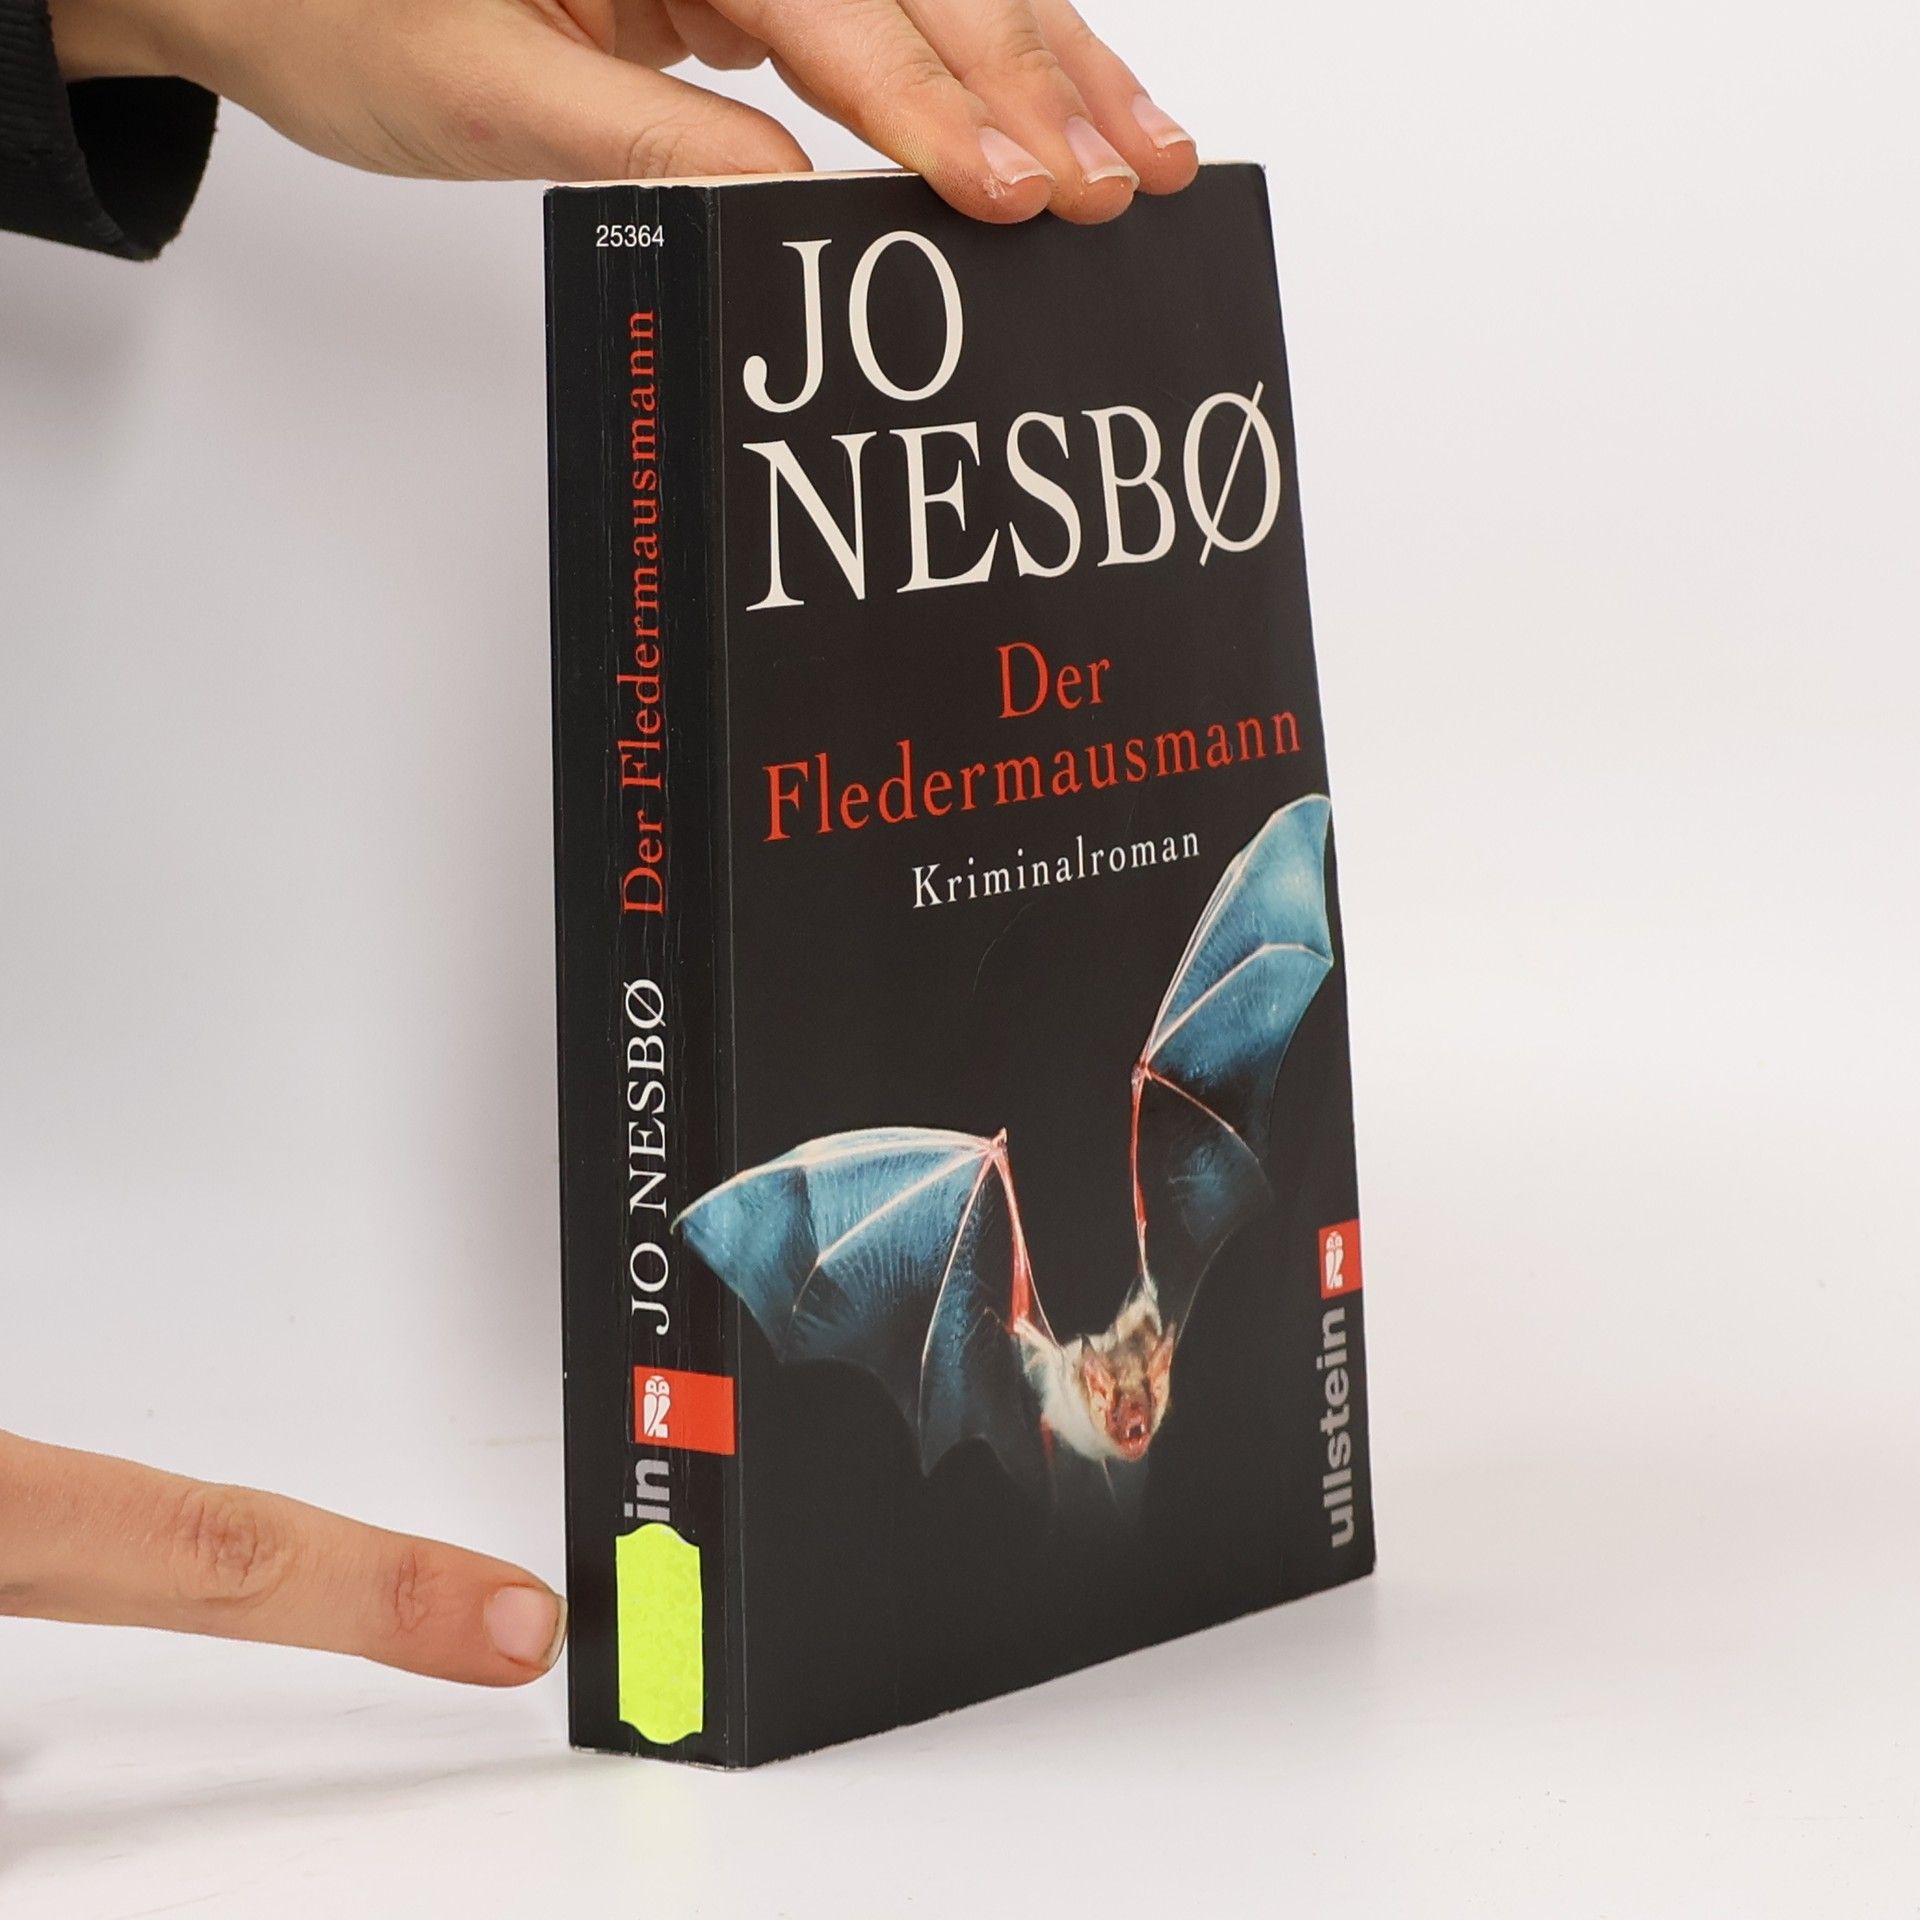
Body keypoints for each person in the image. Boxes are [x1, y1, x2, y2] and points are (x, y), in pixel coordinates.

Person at [0, 0, 1196, 1686]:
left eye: (1130, 1391)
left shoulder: (1114, 1250)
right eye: (1139, 1386)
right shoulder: (1012, 1262)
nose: (1138, 1395)